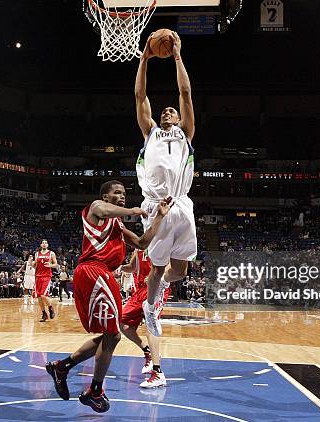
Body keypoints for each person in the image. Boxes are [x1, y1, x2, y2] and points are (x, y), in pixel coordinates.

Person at [45, 180, 171, 413]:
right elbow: (102, 209)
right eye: (117, 193)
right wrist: (134, 211)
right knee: (113, 335)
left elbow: (142, 243)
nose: (122, 196)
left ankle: (63, 367)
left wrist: (159, 218)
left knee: (110, 336)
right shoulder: (96, 209)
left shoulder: (117, 225)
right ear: (105, 196)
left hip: (104, 275)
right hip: (93, 270)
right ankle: (94, 390)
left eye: (124, 193)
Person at [135, 30, 196, 336]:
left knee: (181, 270)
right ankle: (150, 306)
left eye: (171, 110)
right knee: (157, 268)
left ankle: (153, 290)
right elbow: (140, 96)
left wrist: (177, 56)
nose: (168, 111)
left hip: (182, 203)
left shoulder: (185, 132)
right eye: (165, 111)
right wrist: (145, 59)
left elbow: (185, 93)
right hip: (157, 203)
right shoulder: (151, 133)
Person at [119, 248, 170, 388]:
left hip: (156, 288)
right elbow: (131, 267)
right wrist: (118, 266)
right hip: (140, 291)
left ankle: (158, 372)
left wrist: (157, 276)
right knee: (122, 322)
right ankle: (147, 350)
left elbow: (172, 267)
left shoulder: (163, 244)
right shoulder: (139, 249)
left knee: (151, 327)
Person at [34, 239, 58, 321]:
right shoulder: (37, 254)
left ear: (47, 245)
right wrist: (32, 264)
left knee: (43, 295)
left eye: (45, 243)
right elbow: (35, 265)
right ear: (41, 245)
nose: (44, 244)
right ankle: (44, 314)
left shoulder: (51, 253)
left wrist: (50, 265)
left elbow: (56, 264)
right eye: (43, 243)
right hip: (37, 276)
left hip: (46, 276)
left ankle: (51, 309)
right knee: (39, 297)